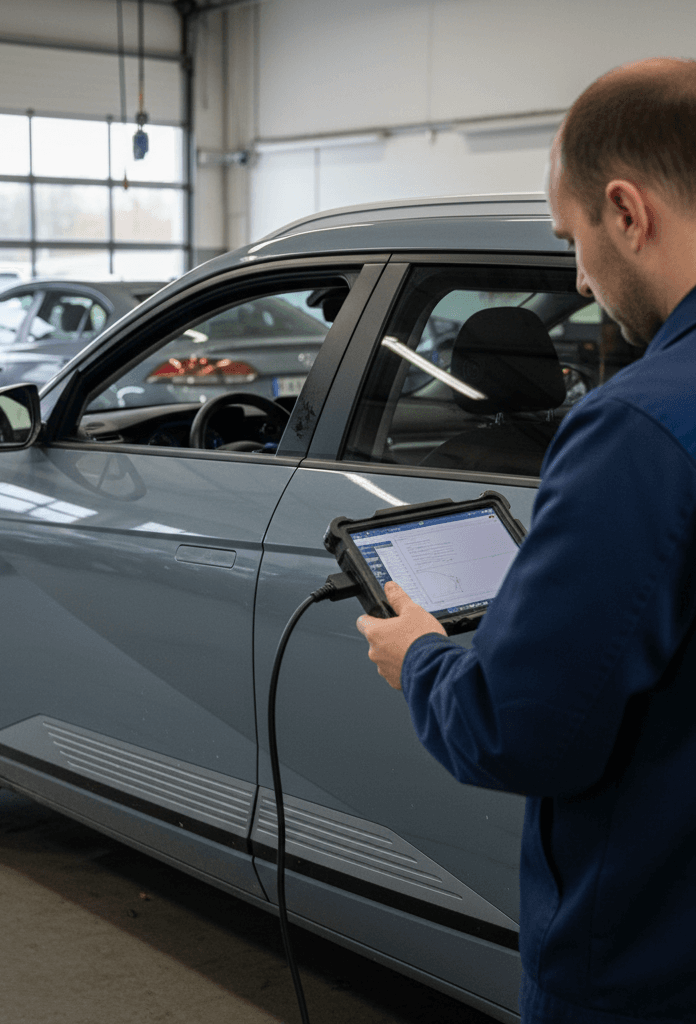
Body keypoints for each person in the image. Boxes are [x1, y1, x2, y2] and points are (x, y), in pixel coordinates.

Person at [355, 58, 696, 1024]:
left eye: (574, 241)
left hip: (647, 963)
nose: (581, 279)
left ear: (626, 211)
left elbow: (519, 728)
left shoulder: (637, 427)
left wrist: (421, 657)